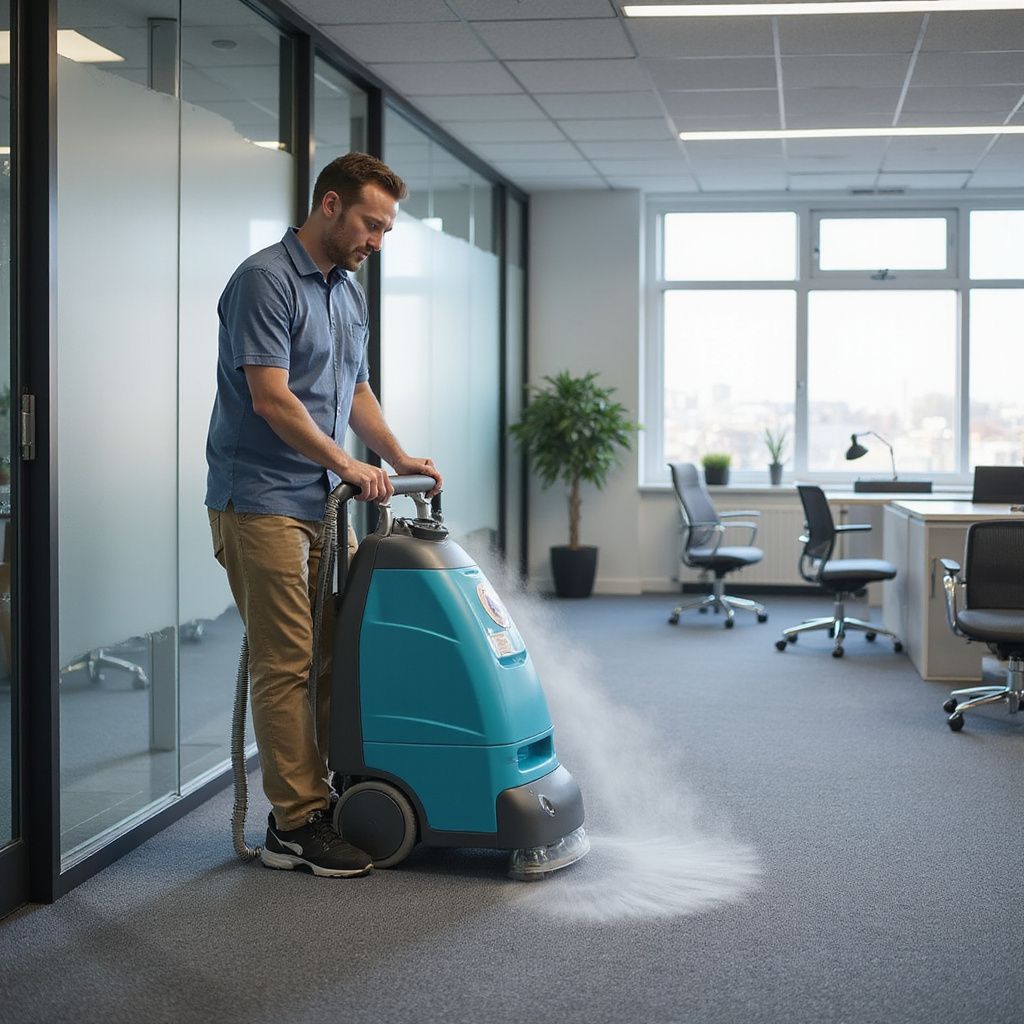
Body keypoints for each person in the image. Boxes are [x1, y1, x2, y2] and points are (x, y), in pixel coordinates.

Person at [205, 153, 442, 878]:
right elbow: (272, 397)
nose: (378, 237)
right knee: (287, 662)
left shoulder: (346, 292)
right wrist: (347, 464)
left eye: (386, 227)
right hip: (263, 500)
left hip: (320, 501)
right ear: (331, 206)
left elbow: (355, 391)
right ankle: (295, 825)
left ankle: (325, 790)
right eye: (372, 223)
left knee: (331, 652)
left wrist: (394, 456)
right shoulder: (265, 281)